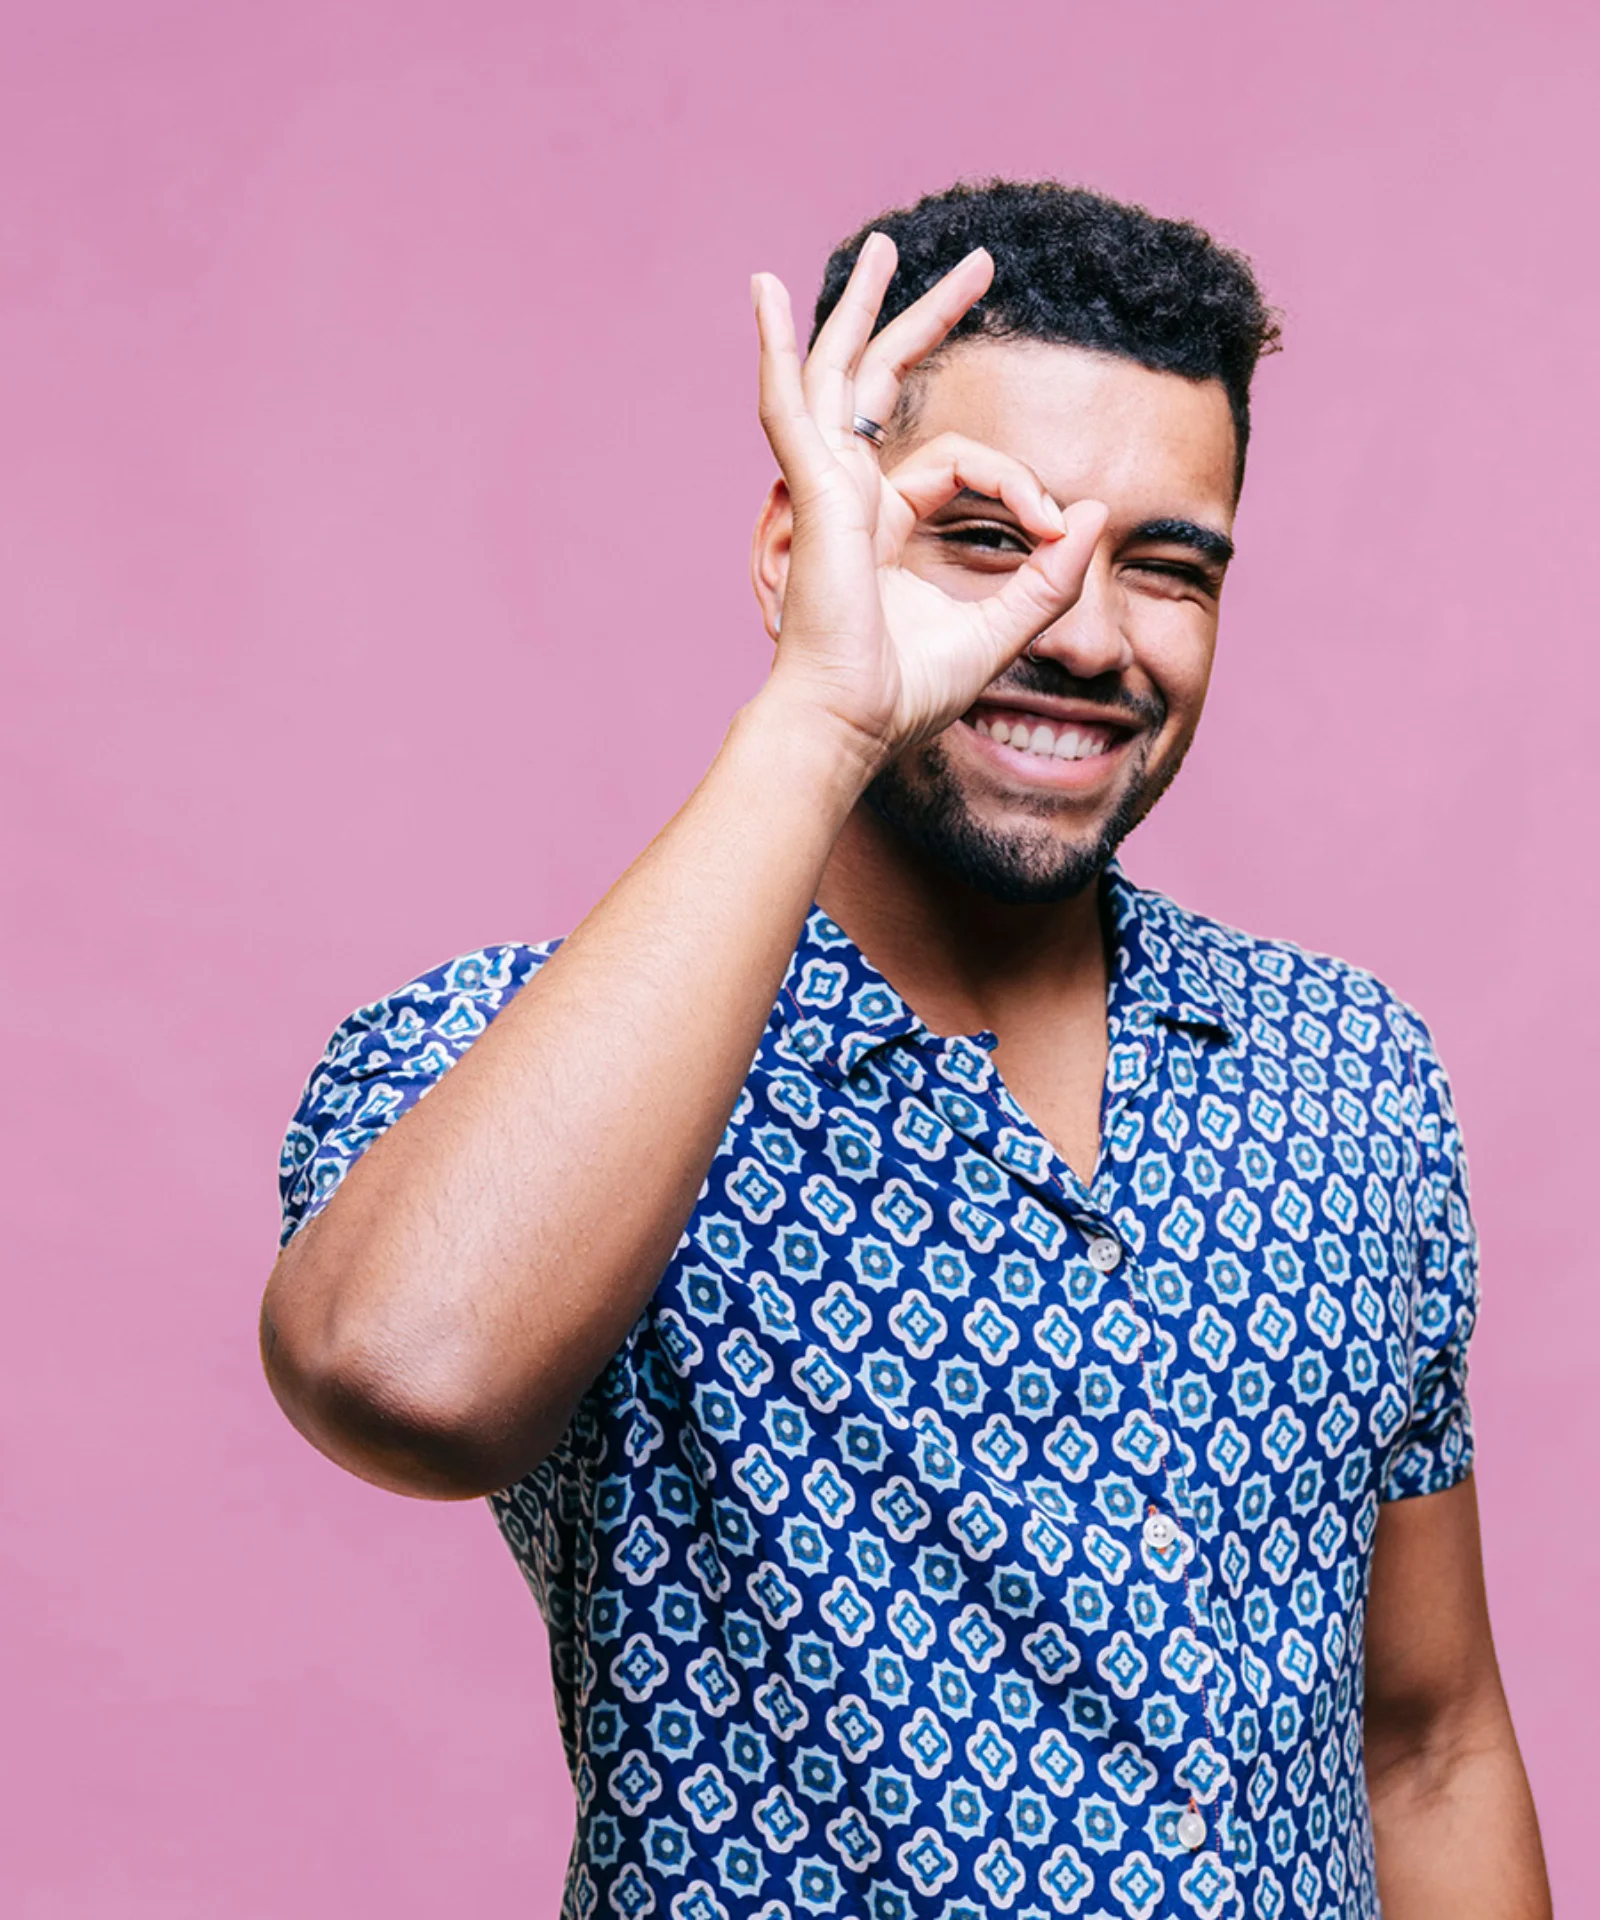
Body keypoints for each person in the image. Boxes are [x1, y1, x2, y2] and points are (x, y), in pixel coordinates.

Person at [260, 180, 1549, 1920]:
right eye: (989, 538)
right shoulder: (517, 1053)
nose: (1084, 635)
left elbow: (1430, 1738)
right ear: (800, 549)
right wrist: (825, 707)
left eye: (1167, 567)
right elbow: (402, 1377)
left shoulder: (1348, 1068)